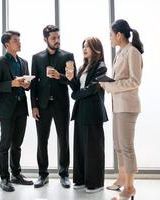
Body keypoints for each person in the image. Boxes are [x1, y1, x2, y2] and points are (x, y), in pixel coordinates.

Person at [100, 19, 144, 200]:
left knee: (126, 147)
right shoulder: (120, 53)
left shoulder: (133, 52)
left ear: (119, 35)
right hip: (118, 106)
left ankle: (130, 187)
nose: (110, 38)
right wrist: (106, 82)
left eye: (111, 34)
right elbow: (120, 78)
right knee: (118, 146)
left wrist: (110, 86)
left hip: (128, 106)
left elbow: (135, 81)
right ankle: (121, 179)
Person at [30, 25, 75, 188]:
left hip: (61, 104)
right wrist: (34, 106)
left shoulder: (68, 56)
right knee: (42, 140)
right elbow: (34, 84)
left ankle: (64, 174)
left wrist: (60, 76)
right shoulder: (36, 58)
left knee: (63, 140)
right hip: (42, 105)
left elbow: (72, 80)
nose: (57, 41)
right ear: (45, 39)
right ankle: (43, 174)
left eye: (58, 37)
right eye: (54, 38)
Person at [0, 30, 33, 192]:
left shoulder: (23, 62)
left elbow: (27, 85)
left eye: (19, 40)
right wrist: (12, 84)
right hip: (6, 109)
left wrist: (27, 85)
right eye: (15, 40)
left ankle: (16, 174)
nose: (19, 43)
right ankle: (4, 178)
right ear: (7, 44)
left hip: (22, 107)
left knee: (18, 144)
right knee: (5, 144)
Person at [66, 37, 108, 193]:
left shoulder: (101, 67)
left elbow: (92, 88)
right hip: (81, 111)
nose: (84, 49)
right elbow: (76, 86)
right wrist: (70, 79)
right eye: (83, 46)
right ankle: (81, 179)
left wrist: (75, 95)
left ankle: (95, 183)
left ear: (96, 49)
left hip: (93, 112)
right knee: (80, 148)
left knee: (93, 149)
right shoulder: (83, 66)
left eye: (88, 46)